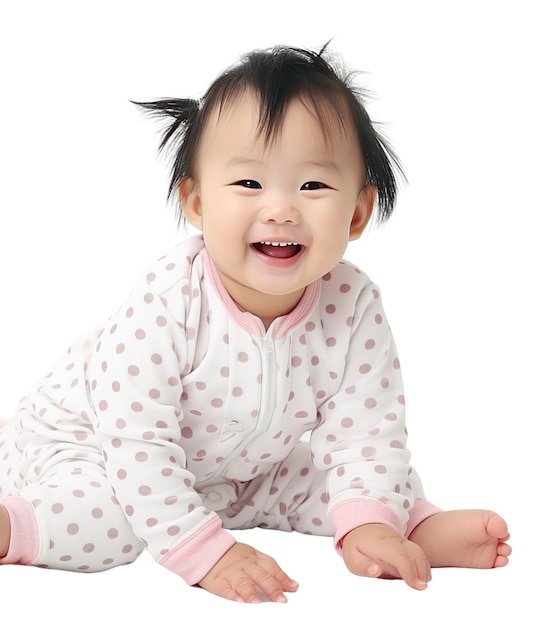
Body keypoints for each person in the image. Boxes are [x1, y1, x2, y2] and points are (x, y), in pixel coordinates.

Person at [0, 44, 510, 603]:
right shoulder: (170, 299)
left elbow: (367, 435)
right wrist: (203, 551)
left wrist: (368, 515)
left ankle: (398, 531)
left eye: (313, 186)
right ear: (196, 203)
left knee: (371, 482)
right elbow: (136, 442)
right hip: (96, 445)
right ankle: (10, 525)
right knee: (109, 524)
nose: (281, 209)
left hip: (239, 471)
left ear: (357, 213)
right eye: (249, 185)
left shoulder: (353, 304)